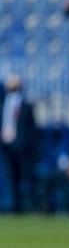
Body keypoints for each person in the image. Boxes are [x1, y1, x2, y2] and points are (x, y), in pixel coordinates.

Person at [0, 74, 38, 212]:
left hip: (22, 147)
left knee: (28, 177)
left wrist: (27, 145)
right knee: (11, 178)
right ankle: (15, 207)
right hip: (6, 147)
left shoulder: (26, 105)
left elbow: (32, 128)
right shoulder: (3, 104)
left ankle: (34, 206)